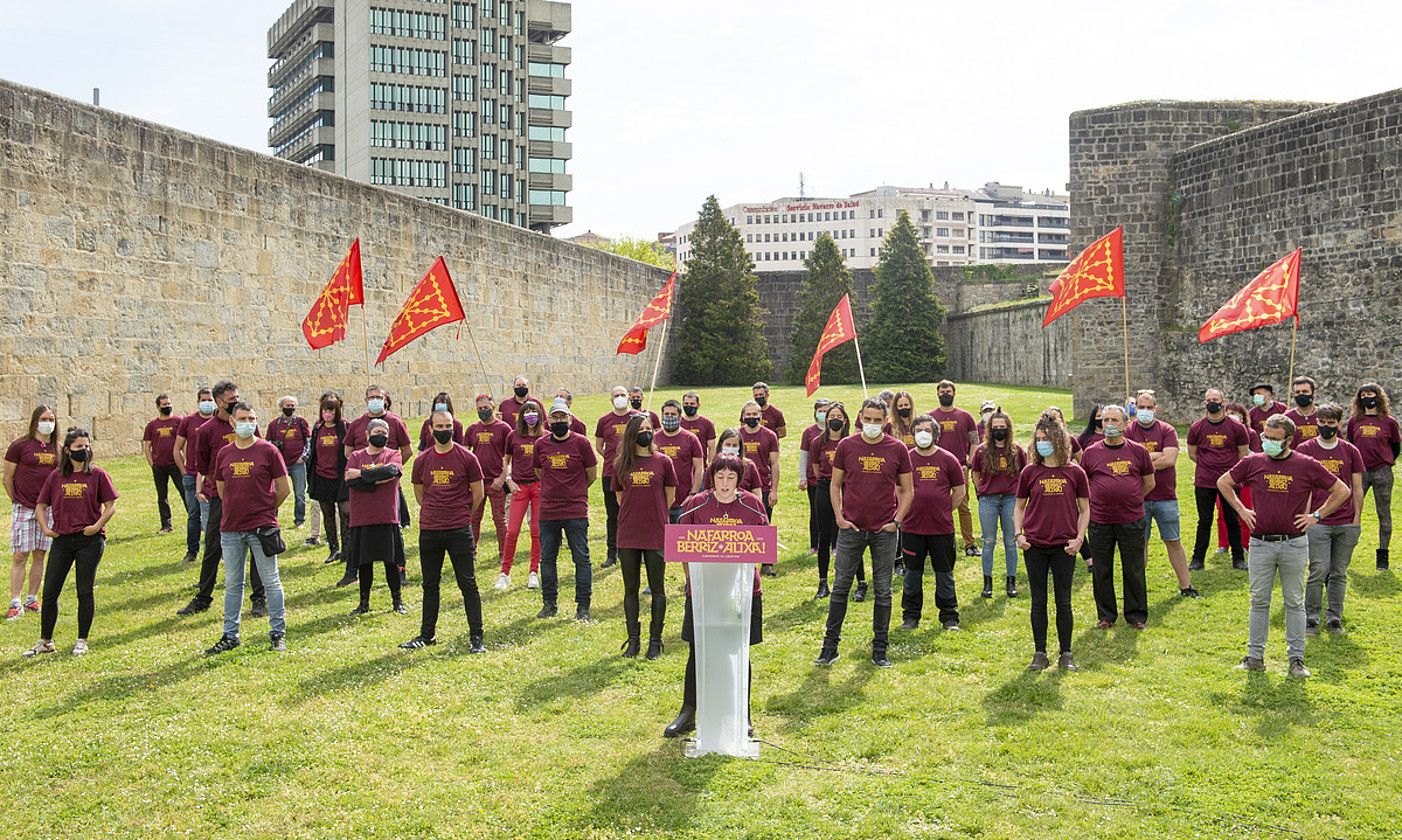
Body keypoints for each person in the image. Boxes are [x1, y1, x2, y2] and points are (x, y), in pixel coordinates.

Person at [1220, 414, 1350, 678]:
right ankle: (1255, 657)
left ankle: (1296, 660)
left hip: (1293, 544)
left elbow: (1342, 490)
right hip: (1260, 543)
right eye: (1265, 436)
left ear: (1289, 440)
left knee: (1294, 601)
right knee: (1259, 601)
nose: (1267, 442)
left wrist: (1316, 516)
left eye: (1274, 439)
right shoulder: (1253, 462)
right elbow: (1224, 482)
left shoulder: (1306, 464)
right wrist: (1242, 509)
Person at [663, 456, 767, 739]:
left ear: (739, 479)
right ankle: (688, 711)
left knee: (739, 650)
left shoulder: (752, 505)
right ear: (712, 478)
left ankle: (742, 714)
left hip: (741, 592)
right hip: (703, 589)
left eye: (731, 477)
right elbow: (681, 544)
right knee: (698, 650)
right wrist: (691, 581)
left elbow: (762, 547)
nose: (725, 483)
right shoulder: (696, 504)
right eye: (719, 476)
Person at [816, 397, 913, 668]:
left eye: (876, 420)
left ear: (885, 420)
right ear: (859, 418)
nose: (871, 424)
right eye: (867, 419)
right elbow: (835, 485)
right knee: (840, 588)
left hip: (884, 530)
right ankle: (829, 647)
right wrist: (839, 516)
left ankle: (880, 649)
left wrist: (897, 521)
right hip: (852, 529)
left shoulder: (897, 449)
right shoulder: (847, 446)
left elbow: (908, 490)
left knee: (883, 590)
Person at [22, 427, 117, 658]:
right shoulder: (56, 477)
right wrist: (45, 529)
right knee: (50, 591)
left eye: (86, 446)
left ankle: (82, 639)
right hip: (62, 541)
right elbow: (40, 506)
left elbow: (111, 504)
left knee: (84, 590)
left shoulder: (97, 475)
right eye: (78, 447)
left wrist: (96, 526)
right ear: (67, 450)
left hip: (89, 541)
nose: (83, 450)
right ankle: (46, 641)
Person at [205, 404, 291, 654]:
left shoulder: (268, 451)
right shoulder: (224, 453)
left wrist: (265, 510)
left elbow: (283, 488)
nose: (248, 422)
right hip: (231, 528)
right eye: (242, 418)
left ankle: (277, 633)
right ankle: (230, 635)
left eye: (252, 418)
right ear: (232, 422)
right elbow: (221, 489)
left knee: (270, 581)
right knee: (233, 583)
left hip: (262, 528)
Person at [178, 381, 265, 617]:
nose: (236, 401)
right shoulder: (206, 430)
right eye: (230, 399)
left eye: (237, 397)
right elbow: (204, 466)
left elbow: (260, 450)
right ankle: (203, 597)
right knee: (213, 547)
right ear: (218, 402)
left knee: (258, 547)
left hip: (251, 496)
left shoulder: (247, 423)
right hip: (221, 497)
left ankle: (259, 599)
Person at [403, 409, 486, 652]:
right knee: (430, 584)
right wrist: (434, 511)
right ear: (430, 429)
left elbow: (478, 494)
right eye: (438, 427)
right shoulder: (422, 460)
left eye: (447, 425)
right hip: (429, 530)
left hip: (458, 529)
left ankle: (477, 637)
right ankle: (426, 635)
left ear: (454, 427)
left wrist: (461, 515)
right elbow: (420, 494)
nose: (443, 430)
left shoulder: (467, 458)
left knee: (467, 584)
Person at [1014, 415, 1090, 672]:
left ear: (1059, 440)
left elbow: (1084, 509)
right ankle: (1040, 652)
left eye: (1047, 439)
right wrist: (1018, 534)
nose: (1042, 443)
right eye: (1038, 440)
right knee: (1038, 601)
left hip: (1064, 546)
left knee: (1064, 601)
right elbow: (1019, 506)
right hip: (1034, 545)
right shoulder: (1029, 472)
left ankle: (1066, 653)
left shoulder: (1075, 472)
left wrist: (1079, 538)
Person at [1082, 405, 1156, 630]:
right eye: (1105, 421)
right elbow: (1084, 485)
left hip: (1131, 519)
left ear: (1125, 424)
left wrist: (1131, 498)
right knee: (1101, 569)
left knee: (1133, 568)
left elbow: (1149, 482)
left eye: (1114, 420)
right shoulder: (1091, 452)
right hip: (1100, 521)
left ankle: (1136, 615)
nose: (1109, 425)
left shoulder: (1138, 451)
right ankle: (1106, 615)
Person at [1297, 403, 1364, 635]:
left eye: (1330, 423)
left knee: (1339, 572)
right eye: (1322, 423)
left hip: (1345, 521)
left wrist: (1356, 517)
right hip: (1318, 521)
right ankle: (1312, 617)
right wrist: (1306, 518)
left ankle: (1334, 617)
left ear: (1340, 423)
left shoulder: (1350, 451)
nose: (1326, 427)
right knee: (1318, 570)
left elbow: (1357, 487)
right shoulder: (1305, 449)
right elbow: (1302, 487)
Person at [613, 413, 677, 659]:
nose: (646, 433)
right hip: (628, 532)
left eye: (649, 428)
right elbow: (619, 497)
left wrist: (656, 514)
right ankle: (633, 640)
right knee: (631, 589)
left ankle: (655, 641)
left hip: (656, 532)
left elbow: (669, 496)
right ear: (631, 434)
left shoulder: (663, 462)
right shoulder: (621, 464)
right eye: (641, 429)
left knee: (657, 588)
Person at [1125, 390, 1198, 598]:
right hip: (1138, 497)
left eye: (1149, 407)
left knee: (1173, 541)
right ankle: (1137, 590)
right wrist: (1156, 455)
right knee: (1140, 544)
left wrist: (1143, 460)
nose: (1145, 411)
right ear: (1135, 408)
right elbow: (1128, 462)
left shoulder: (1167, 430)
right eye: (1141, 407)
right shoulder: (1129, 431)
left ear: (1156, 409)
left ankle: (1186, 586)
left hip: (1165, 497)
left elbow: (1170, 460)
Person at [899, 416, 966, 631]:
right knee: (912, 574)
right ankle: (910, 616)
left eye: (927, 430)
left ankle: (949, 617)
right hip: (912, 528)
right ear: (912, 433)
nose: (923, 433)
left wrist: (944, 509)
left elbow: (959, 491)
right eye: (918, 430)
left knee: (944, 574)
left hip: (941, 528)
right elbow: (898, 489)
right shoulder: (906, 460)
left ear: (936, 434)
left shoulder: (948, 459)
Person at [534, 400, 598, 621]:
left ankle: (583, 606)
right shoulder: (541, 444)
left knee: (581, 558)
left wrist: (575, 490)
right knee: (547, 558)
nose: (559, 421)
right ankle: (549, 604)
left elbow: (591, 475)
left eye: (563, 417)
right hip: (548, 511)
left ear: (570, 419)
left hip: (575, 511)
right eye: (555, 417)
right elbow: (539, 471)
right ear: (549, 421)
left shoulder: (581, 443)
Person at [346, 418, 407, 615]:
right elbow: (350, 481)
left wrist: (362, 474)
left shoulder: (393, 454)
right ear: (367, 435)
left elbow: (392, 471)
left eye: (384, 432)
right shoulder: (355, 455)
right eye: (376, 432)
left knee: (391, 562)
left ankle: (397, 601)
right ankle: (364, 603)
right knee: (365, 564)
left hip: (387, 516)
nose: (380, 435)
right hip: (362, 517)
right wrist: (378, 478)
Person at [1187, 388, 1250, 571]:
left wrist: (1230, 473)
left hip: (1230, 481)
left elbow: (1243, 454)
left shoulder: (1237, 427)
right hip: (1204, 481)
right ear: (1204, 403)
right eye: (1208, 399)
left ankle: (1238, 558)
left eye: (1215, 399)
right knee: (1204, 520)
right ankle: (1198, 559)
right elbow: (1192, 453)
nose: (1212, 402)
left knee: (1232, 519)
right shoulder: (1197, 427)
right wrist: (1208, 465)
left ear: (1223, 402)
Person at [6, 405, 58, 620]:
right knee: (20, 555)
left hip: (47, 509)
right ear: (35, 421)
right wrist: (17, 499)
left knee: (40, 554)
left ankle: (32, 598)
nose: (47, 422)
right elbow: (8, 477)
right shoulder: (20, 446)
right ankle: (15, 601)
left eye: (51, 418)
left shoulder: (57, 448)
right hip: (24, 507)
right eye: (44, 418)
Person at [807, 403, 863, 599]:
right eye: (831, 416)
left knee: (851, 534)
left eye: (839, 416)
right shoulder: (817, 442)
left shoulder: (851, 443)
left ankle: (861, 582)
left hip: (848, 490)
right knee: (824, 536)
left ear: (845, 420)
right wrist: (827, 482)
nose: (835, 419)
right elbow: (815, 467)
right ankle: (823, 583)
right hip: (824, 488)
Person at [971, 411, 1026, 599]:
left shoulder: (1017, 450)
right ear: (990, 429)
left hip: (1011, 498)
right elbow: (976, 473)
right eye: (996, 428)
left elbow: (1024, 473)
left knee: (1011, 541)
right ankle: (988, 582)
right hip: (989, 499)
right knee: (988, 541)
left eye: (1002, 428)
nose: (999, 431)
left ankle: (1011, 582)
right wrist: (981, 491)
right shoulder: (981, 450)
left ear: (1008, 429)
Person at [1345, 382, 1399, 570]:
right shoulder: (1354, 421)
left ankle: (1383, 555)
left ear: (1378, 396)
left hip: (1382, 472)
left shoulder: (1389, 421)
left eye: (1371, 393)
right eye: (1364, 394)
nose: (1367, 397)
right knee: (1351, 511)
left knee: (1383, 513)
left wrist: (1385, 460)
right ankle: (1345, 552)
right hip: (1360, 472)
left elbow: (1395, 447)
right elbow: (1350, 445)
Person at [497, 397, 547, 590]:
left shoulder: (545, 436)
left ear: (540, 415)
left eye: (534, 411)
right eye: (527, 412)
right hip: (519, 486)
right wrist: (508, 479)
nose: (530, 415)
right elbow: (506, 459)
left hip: (538, 487)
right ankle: (504, 573)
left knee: (536, 529)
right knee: (512, 531)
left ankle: (533, 571)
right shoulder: (513, 436)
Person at [931, 380, 979, 557]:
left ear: (954, 393)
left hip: (960, 467)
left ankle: (969, 544)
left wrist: (969, 463)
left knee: (963, 506)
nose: (945, 393)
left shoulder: (965, 416)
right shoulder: (930, 417)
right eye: (942, 391)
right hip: (937, 468)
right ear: (937, 394)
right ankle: (935, 541)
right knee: (936, 505)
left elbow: (975, 441)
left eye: (948, 391)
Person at [466, 393, 512, 567]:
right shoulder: (472, 429)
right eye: (480, 408)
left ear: (493, 407)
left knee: (499, 519)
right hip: (478, 482)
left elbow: (510, 457)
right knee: (473, 518)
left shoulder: (504, 428)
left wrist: (502, 477)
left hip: (496, 481)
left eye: (486, 407)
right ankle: (471, 552)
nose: (483, 411)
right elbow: (465, 454)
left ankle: (504, 553)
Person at [308, 394, 352, 573]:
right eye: (325, 410)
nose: (327, 413)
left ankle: (347, 550)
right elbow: (313, 452)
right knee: (327, 514)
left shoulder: (344, 427)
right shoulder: (318, 428)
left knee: (345, 513)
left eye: (331, 410)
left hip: (340, 477)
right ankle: (333, 548)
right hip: (321, 477)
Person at [738, 401, 781, 575]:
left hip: (763, 486)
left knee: (764, 524)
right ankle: (741, 558)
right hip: (740, 487)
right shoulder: (737, 435)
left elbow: (775, 463)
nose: (751, 417)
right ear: (742, 416)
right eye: (748, 414)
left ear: (761, 416)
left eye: (755, 414)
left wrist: (774, 490)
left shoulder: (770, 436)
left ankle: (767, 563)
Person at [595, 385, 635, 568]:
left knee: (633, 514)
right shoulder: (604, 420)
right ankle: (612, 553)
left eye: (622, 395)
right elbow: (599, 446)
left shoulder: (637, 418)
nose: (619, 397)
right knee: (613, 516)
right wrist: (614, 459)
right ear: (611, 400)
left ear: (628, 398)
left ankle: (634, 551)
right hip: (610, 474)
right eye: (616, 395)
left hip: (633, 473)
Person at [174, 387, 215, 563]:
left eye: (209, 399)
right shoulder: (188, 421)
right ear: (198, 401)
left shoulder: (218, 421)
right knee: (193, 515)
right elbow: (177, 448)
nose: (207, 402)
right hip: (191, 475)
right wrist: (184, 471)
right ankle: (192, 552)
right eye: (204, 400)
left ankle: (211, 551)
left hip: (210, 476)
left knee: (212, 516)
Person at [1215, 403, 1260, 554]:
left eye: (1235, 412)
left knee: (1245, 512)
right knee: (1222, 513)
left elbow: (1254, 455)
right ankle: (1223, 544)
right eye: (1229, 412)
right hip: (1224, 478)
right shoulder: (1221, 432)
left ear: (1243, 416)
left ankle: (1244, 543)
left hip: (1244, 480)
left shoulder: (1251, 433)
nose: (1232, 415)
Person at [655, 399, 705, 522]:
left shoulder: (690, 438)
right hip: (660, 501)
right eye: (666, 414)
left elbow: (699, 468)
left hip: (684, 501)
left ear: (679, 417)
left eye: (673, 414)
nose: (669, 417)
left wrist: (693, 494)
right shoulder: (654, 439)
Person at [266, 396, 310, 530]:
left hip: (298, 463)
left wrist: (303, 458)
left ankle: (299, 519)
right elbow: (268, 443)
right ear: (281, 407)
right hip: (280, 464)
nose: (290, 408)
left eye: (292, 405)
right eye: (287, 405)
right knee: (276, 491)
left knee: (300, 493)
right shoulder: (274, 425)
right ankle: (273, 517)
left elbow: (308, 442)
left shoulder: (301, 422)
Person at [142, 394, 183, 534]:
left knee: (185, 492)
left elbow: (184, 443)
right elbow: (147, 445)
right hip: (159, 466)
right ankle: (166, 525)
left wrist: (184, 462)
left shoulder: (179, 421)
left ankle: (196, 520)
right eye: (164, 405)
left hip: (176, 465)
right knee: (162, 496)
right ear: (158, 407)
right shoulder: (152, 425)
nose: (167, 406)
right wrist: (152, 463)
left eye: (169, 404)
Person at [798, 398, 831, 554]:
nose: (823, 414)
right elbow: (804, 455)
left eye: (826, 410)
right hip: (814, 480)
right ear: (815, 412)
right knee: (816, 512)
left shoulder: (837, 432)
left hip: (833, 479)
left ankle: (834, 544)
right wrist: (802, 477)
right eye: (820, 411)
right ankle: (815, 544)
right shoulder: (809, 432)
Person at [712, 429, 763, 493]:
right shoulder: (713, 465)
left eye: (734, 445)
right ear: (721, 445)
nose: (731, 448)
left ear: (740, 447)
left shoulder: (749, 465)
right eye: (728, 445)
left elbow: (757, 491)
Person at [679, 391, 717, 462]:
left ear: (698, 405)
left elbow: (711, 447)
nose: (689, 406)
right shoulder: (678, 423)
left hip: (701, 463)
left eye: (692, 404)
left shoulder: (707, 423)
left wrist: (711, 465)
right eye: (686, 403)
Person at [1285, 376, 1321, 445]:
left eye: (1305, 391)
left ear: (1314, 393)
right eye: (1297, 392)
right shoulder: (1287, 418)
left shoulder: (1324, 415)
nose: (1301, 394)